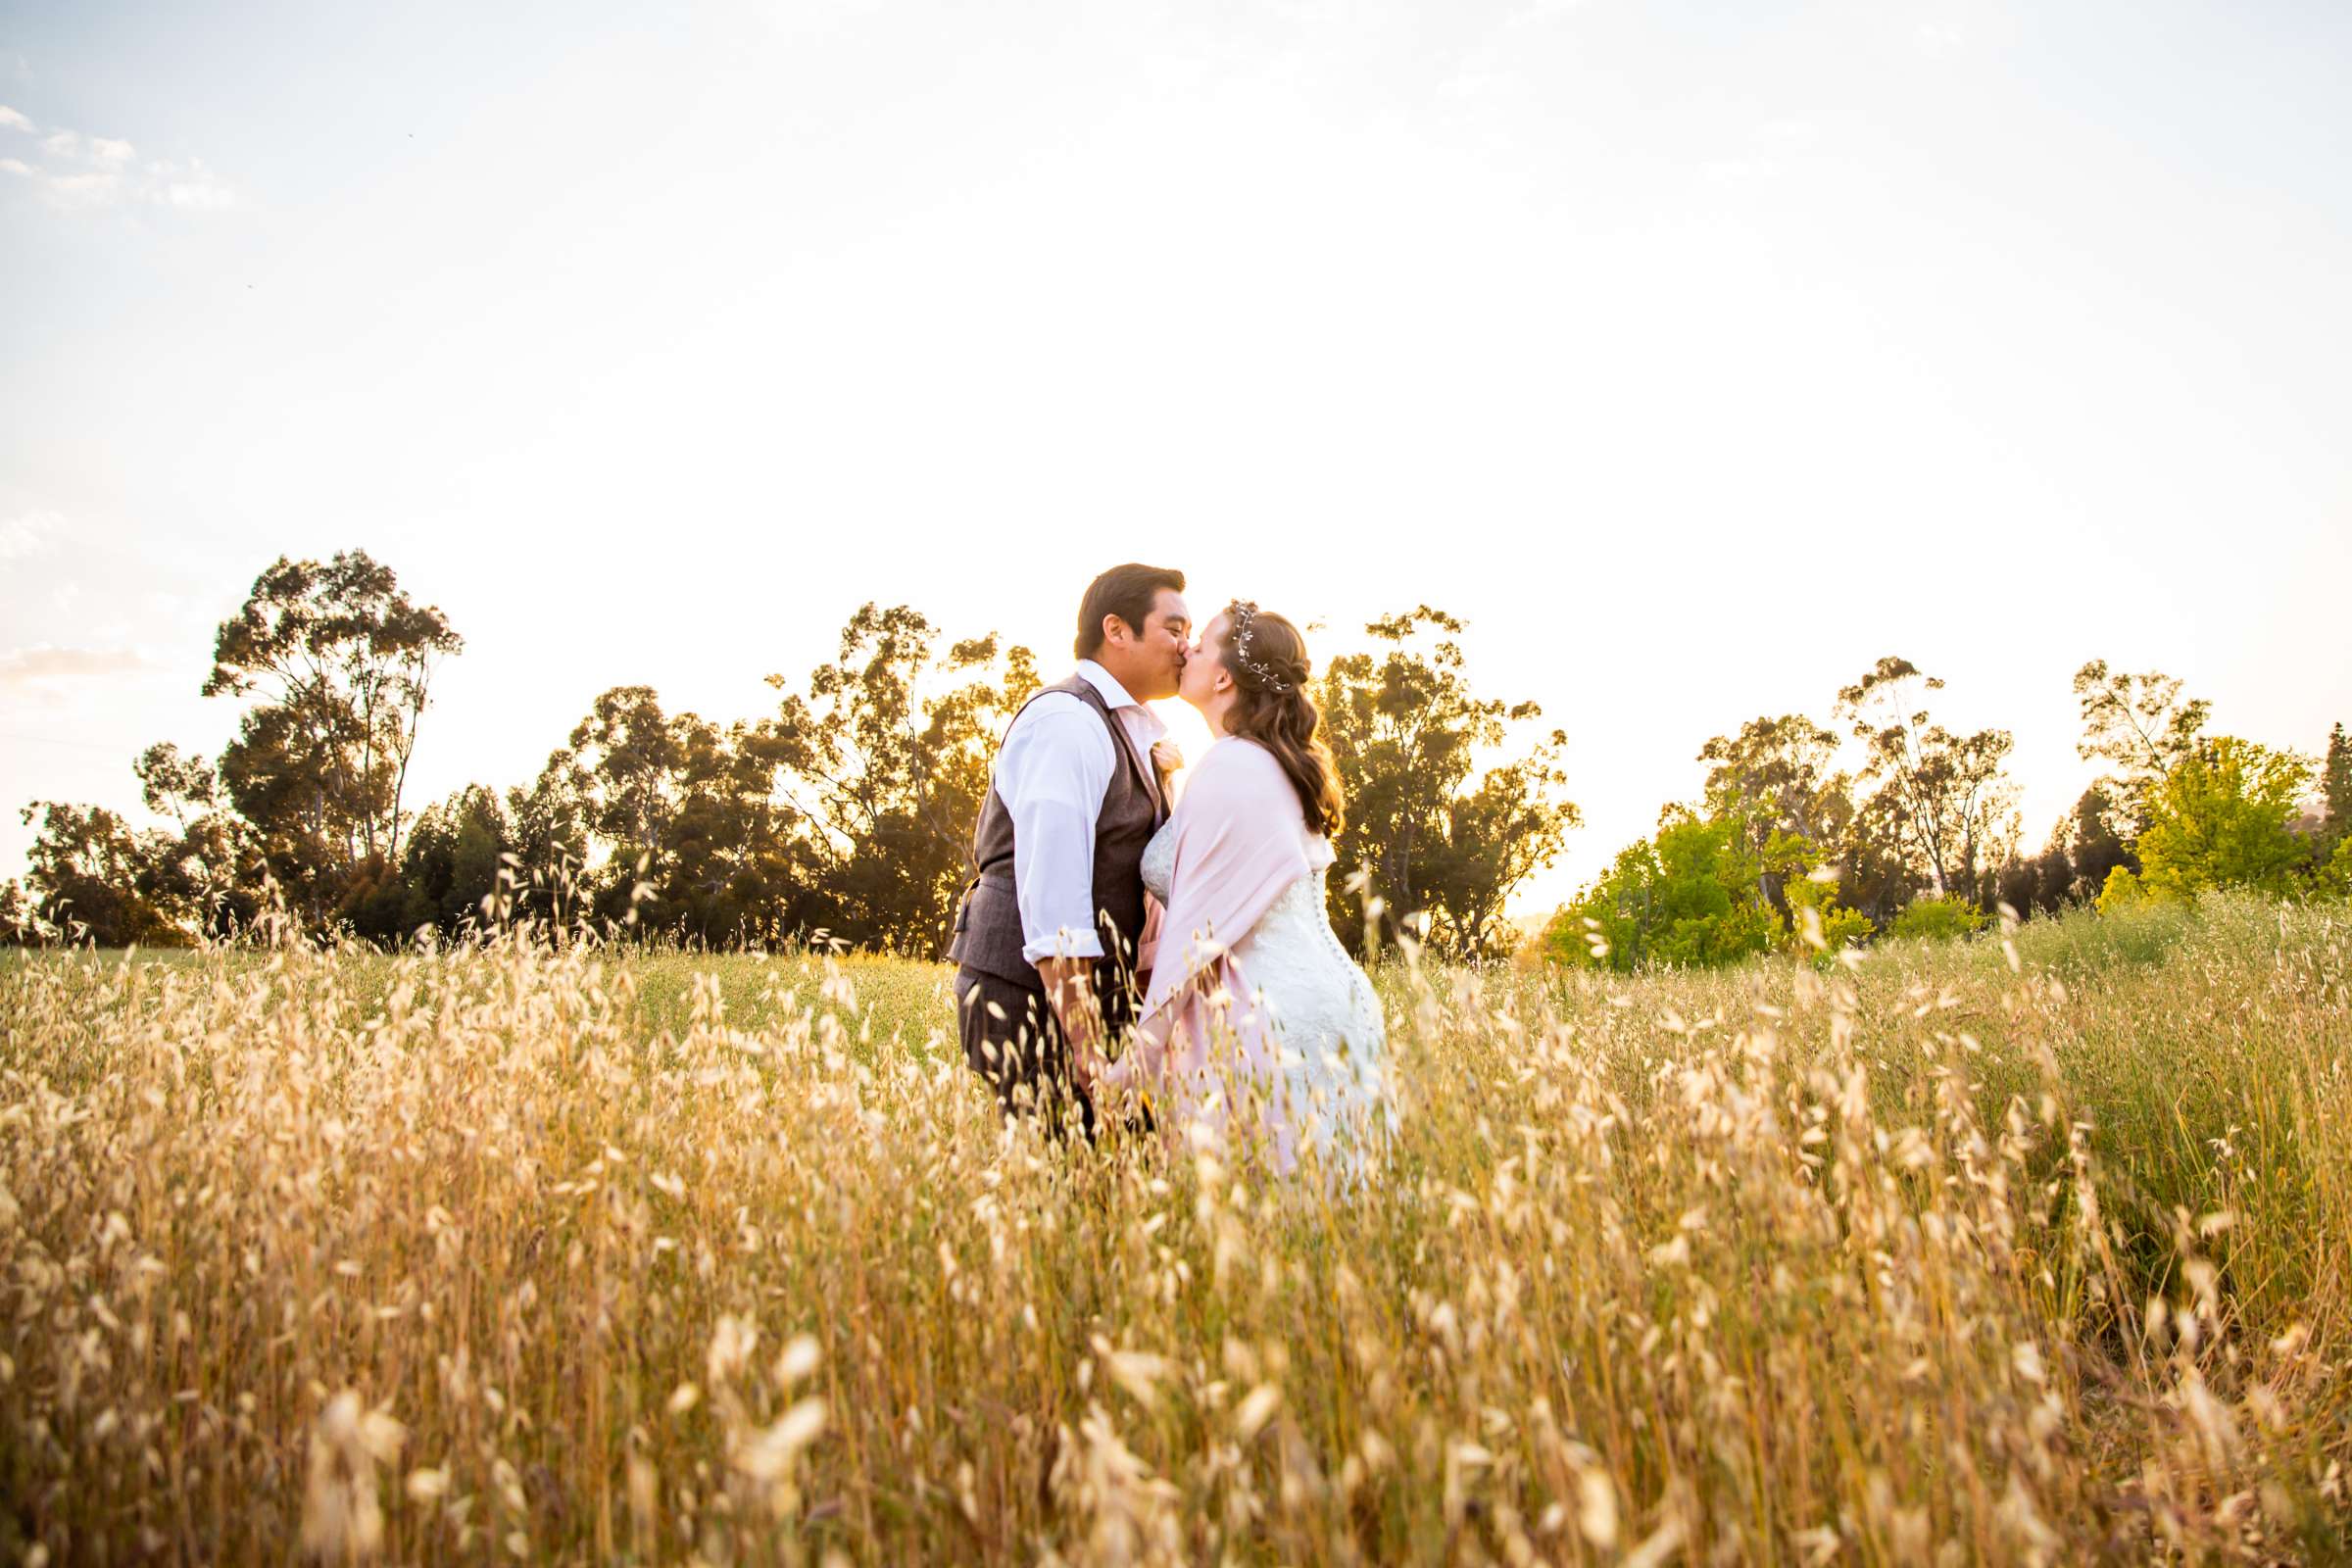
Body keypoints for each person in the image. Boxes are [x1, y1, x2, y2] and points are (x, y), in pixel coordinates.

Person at [1100, 601, 1391, 1178]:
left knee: (1267, 1209)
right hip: (1330, 1002)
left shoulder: (1232, 765)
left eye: (1202, 645)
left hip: (1269, 1013)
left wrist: (1139, 1057)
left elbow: (1197, 933)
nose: (1188, 650)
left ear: (1225, 676)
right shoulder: (1271, 763)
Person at [948, 564, 1191, 1137]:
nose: (1188, 645)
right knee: (1064, 1192)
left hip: (1091, 999)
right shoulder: (1067, 720)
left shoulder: (1136, 726)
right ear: (1117, 629)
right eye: (1174, 628)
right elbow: (1056, 904)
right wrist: (1088, 1051)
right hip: (1031, 997)